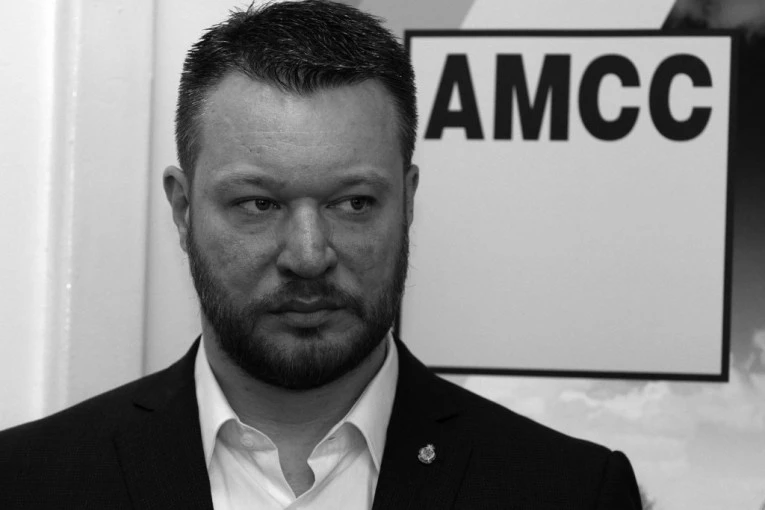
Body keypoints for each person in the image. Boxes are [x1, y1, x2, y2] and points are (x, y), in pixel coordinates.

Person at [0, 1, 642, 508]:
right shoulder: (28, 482)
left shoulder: (569, 491)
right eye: (258, 203)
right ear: (183, 207)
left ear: (408, 202)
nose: (308, 256)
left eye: (353, 203)